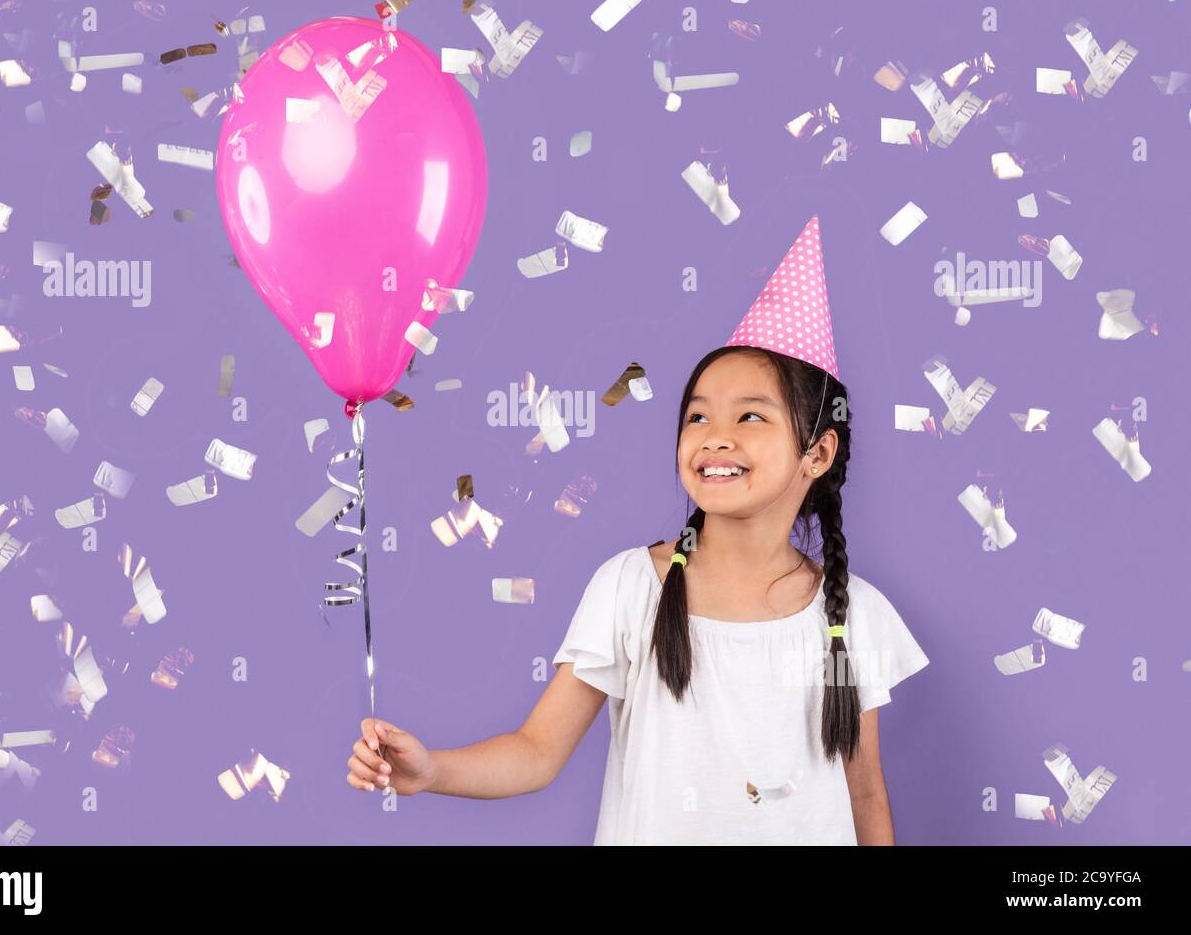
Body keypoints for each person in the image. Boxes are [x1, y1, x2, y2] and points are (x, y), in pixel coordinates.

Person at [345, 216, 930, 843]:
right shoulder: (631, 587)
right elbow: (538, 751)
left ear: (815, 454)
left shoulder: (853, 614)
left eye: (751, 415)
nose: (716, 437)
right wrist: (432, 770)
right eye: (697, 416)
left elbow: (863, 791)